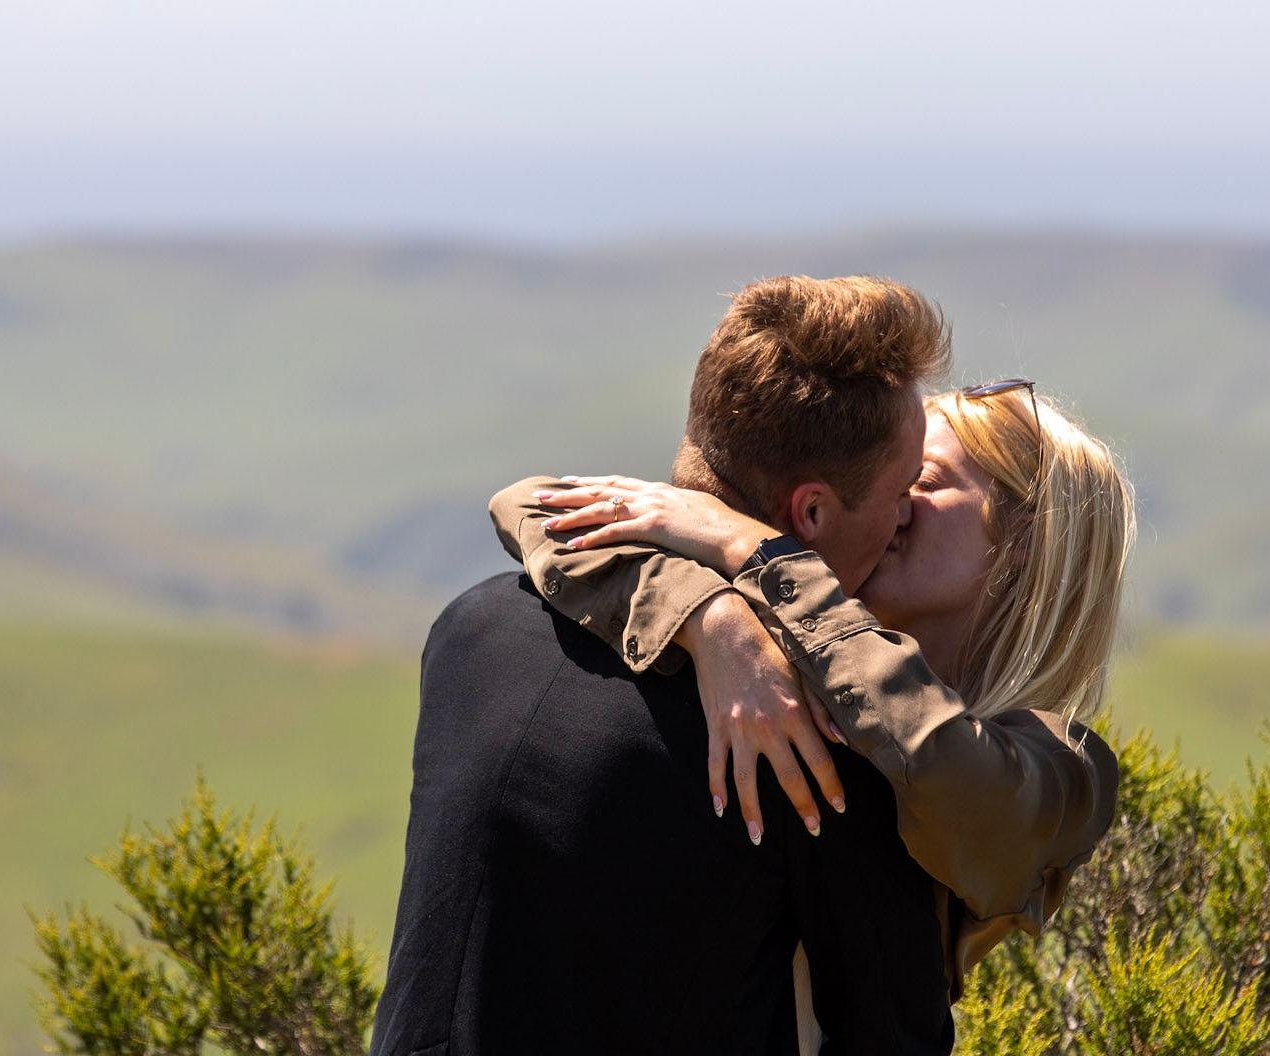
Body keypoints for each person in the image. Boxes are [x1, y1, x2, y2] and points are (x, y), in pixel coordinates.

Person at [372, 276, 968, 1055]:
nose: (907, 517)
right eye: (901, 491)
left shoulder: (472, 629)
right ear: (812, 512)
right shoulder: (812, 744)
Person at [488, 376, 1135, 1049]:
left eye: (923, 481)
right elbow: (530, 504)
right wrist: (711, 618)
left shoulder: (1068, 772)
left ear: (1026, 538)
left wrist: (757, 553)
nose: (890, 505)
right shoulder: (791, 638)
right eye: (892, 480)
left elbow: (946, 769)